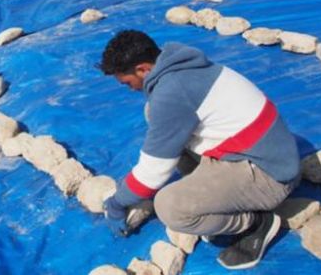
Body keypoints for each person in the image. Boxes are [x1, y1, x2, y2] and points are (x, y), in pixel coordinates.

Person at [99, 30, 300, 270]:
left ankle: (256, 223)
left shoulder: (172, 93)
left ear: (142, 69)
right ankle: (215, 196)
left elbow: (152, 173)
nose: (129, 89)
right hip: (267, 153)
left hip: (271, 175)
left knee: (169, 207)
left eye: (127, 82)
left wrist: (116, 204)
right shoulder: (183, 66)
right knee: (155, 117)